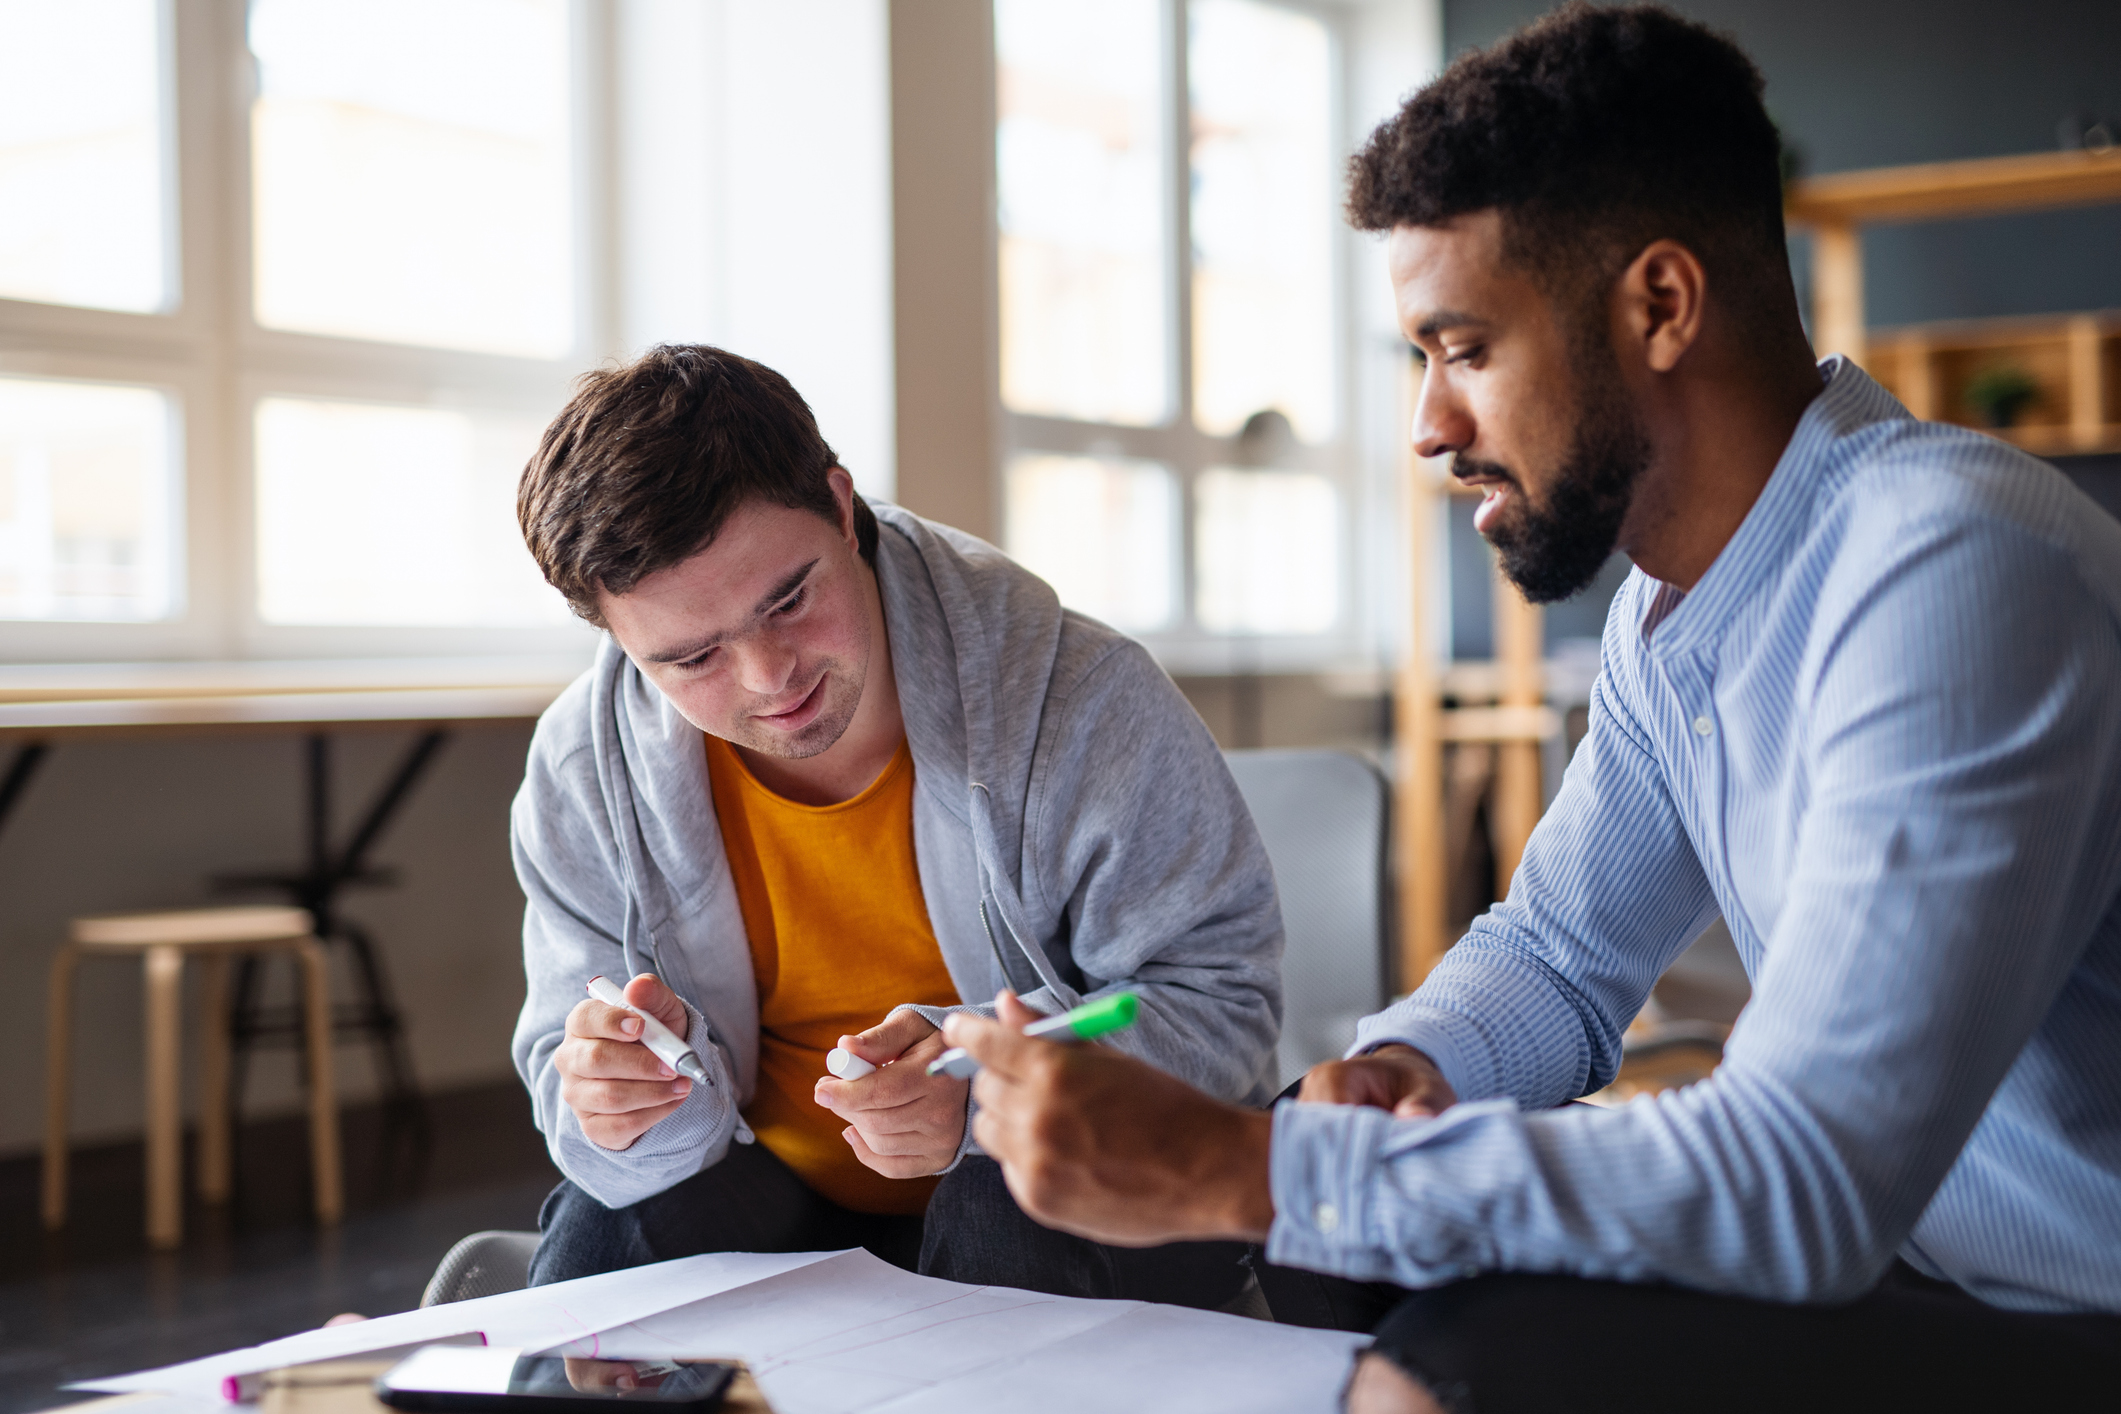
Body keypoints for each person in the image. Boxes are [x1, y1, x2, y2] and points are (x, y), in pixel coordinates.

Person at [940, 6, 2121, 1410]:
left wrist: (1235, 1162)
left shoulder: (1951, 564)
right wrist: (1398, 1063)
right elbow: (1561, 953)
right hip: (1914, 1263)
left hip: (2066, 1299)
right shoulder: (1670, 612)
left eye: (1463, 346)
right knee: (1335, 1250)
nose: (1431, 424)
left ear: (1660, 305)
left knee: (1465, 1348)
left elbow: (1805, 1171)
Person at [508, 344, 1280, 1308]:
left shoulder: (1078, 696)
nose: (769, 678)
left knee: (1011, 1202)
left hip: (1061, 1187)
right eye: (691, 657)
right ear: (618, 642)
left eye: (789, 599)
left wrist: (988, 1093)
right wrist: (620, 1104)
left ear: (841, 506)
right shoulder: (587, 766)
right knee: (607, 1235)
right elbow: (565, 1063)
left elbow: (1223, 1007)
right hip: (781, 1192)